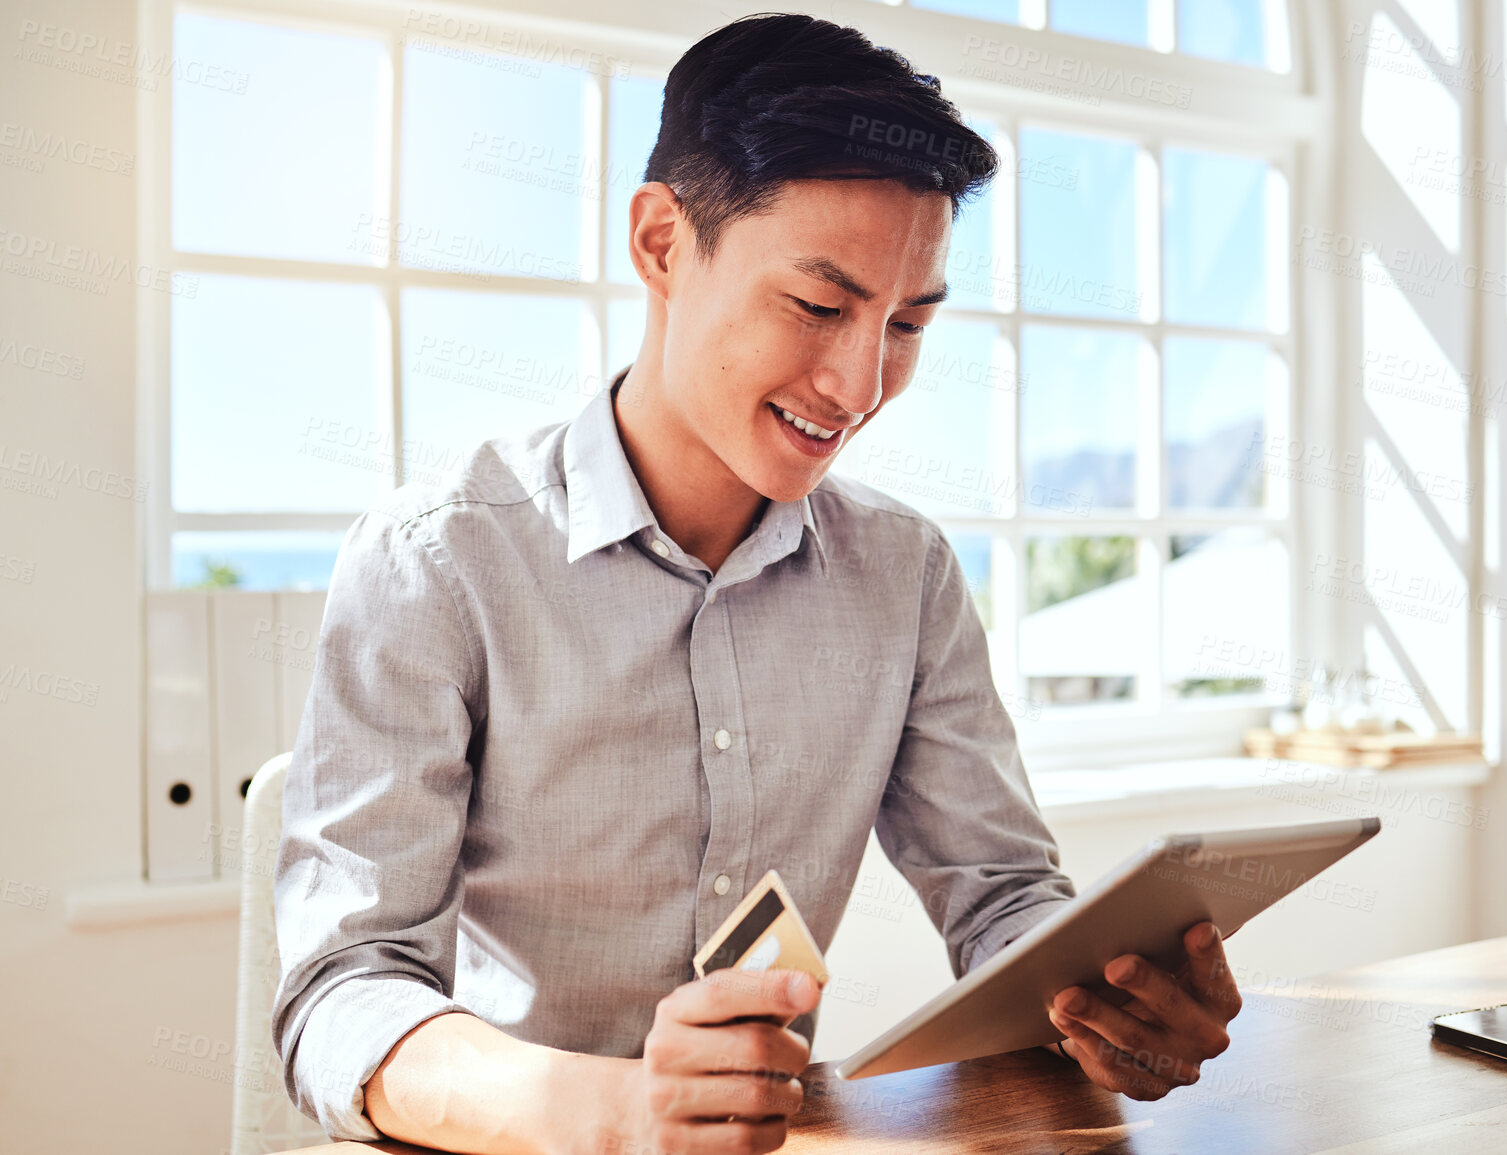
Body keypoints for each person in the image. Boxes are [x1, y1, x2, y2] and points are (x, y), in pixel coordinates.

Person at [271, 13, 1240, 1155]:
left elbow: (1001, 897)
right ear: (662, 244)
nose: (861, 382)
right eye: (820, 306)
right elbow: (341, 999)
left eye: (909, 325)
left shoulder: (905, 575)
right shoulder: (438, 561)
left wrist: (1102, 996)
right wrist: (627, 1113)